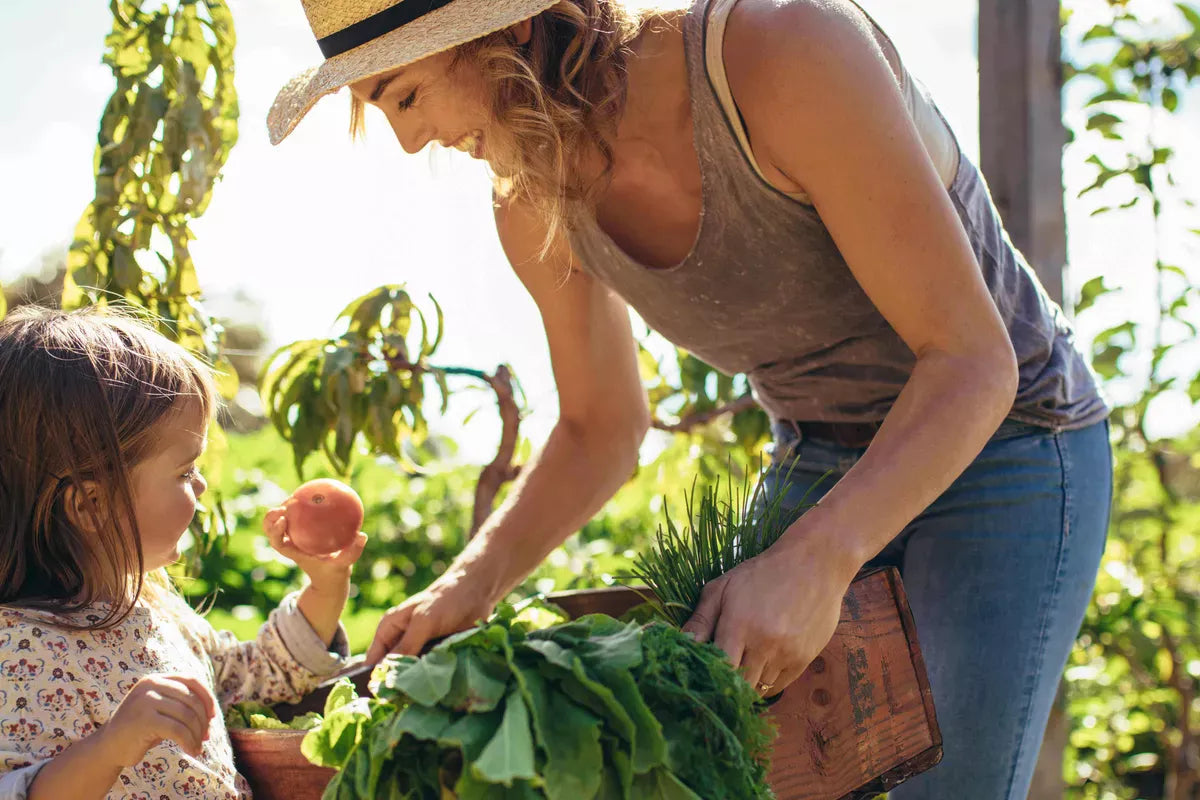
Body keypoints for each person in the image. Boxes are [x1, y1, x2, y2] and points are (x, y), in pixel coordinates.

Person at [268, 0, 1113, 796]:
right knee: (734, 764)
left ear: (512, 24)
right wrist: (470, 581)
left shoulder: (782, 51)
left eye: (406, 95)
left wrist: (817, 558)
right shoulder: (531, 197)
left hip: (1012, 440)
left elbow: (972, 361)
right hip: (819, 450)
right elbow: (602, 425)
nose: (412, 142)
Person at [0, 306, 368, 800]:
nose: (201, 483)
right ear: (91, 504)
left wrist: (325, 587)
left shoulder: (162, 619)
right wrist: (109, 749)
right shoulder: (19, 649)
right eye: (182, 472)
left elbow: (259, 675)